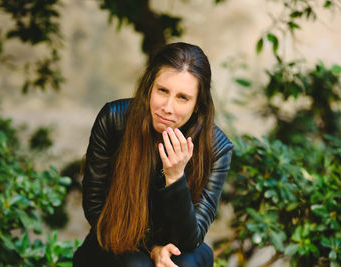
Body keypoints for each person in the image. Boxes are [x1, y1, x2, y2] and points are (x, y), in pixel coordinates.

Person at [73, 42, 233, 267]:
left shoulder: (217, 149)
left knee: (187, 262)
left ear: (198, 104)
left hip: (178, 246)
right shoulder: (114, 120)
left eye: (182, 98)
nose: (168, 107)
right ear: (149, 88)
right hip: (113, 240)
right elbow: (94, 207)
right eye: (163, 91)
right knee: (137, 265)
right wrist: (151, 249)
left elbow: (191, 238)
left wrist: (175, 177)